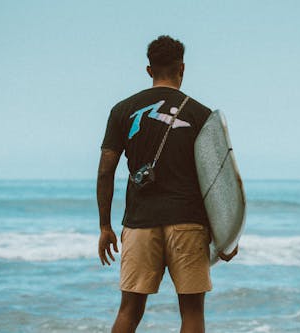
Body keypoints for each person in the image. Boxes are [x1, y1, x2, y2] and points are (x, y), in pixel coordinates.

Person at [97, 35, 238, 333]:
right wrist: (225, 234)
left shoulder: (122, 111)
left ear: (149, 70)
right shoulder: (201, 115)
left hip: (139, 224)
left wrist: (105, 227)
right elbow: (215, 178)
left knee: (129, 311)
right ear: (182, 68)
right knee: (192, 313)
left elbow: (105, 172)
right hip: (188, 223)